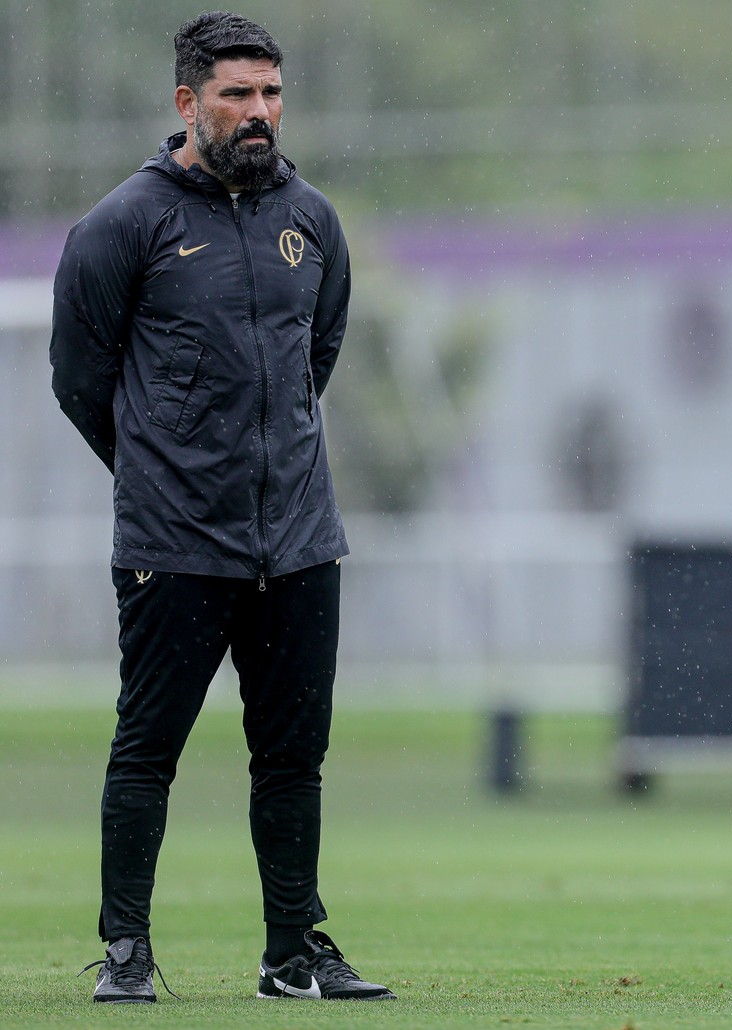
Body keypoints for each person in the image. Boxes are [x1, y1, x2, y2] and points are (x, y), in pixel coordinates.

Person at [50, 11, 395, 1005]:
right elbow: (80, 379)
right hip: (174, 543)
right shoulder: (125, 223)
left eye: (271, 94)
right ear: (187, 102)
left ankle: (294, 954)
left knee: (293, 757)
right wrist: (162, 470)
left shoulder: (313, 220)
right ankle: (125, 949)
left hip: (297, 541)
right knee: (146, 748)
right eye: (238, 95)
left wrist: (269, 460)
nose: (259, 113)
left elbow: (314, 360)